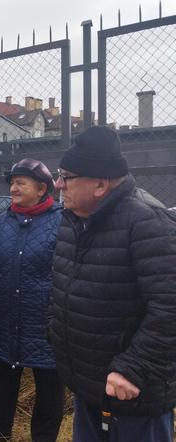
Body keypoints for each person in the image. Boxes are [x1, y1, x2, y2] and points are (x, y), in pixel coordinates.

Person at [49, 126, 176, 442]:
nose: (57, 183)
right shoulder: (74, 220)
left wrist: (132, 369)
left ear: (100, 184)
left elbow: (170, 307)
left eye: (67, 176)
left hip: (131, 392)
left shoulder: (148, 222)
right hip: (89, 383)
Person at [0, 159, 64, 442]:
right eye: (12, 182)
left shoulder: (62, 221)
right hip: (4, 320)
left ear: (41, 189)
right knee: (1, 385)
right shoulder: (3, 221)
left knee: (49, 389)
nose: (13, 187)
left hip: (45, 325)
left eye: (20, 182)